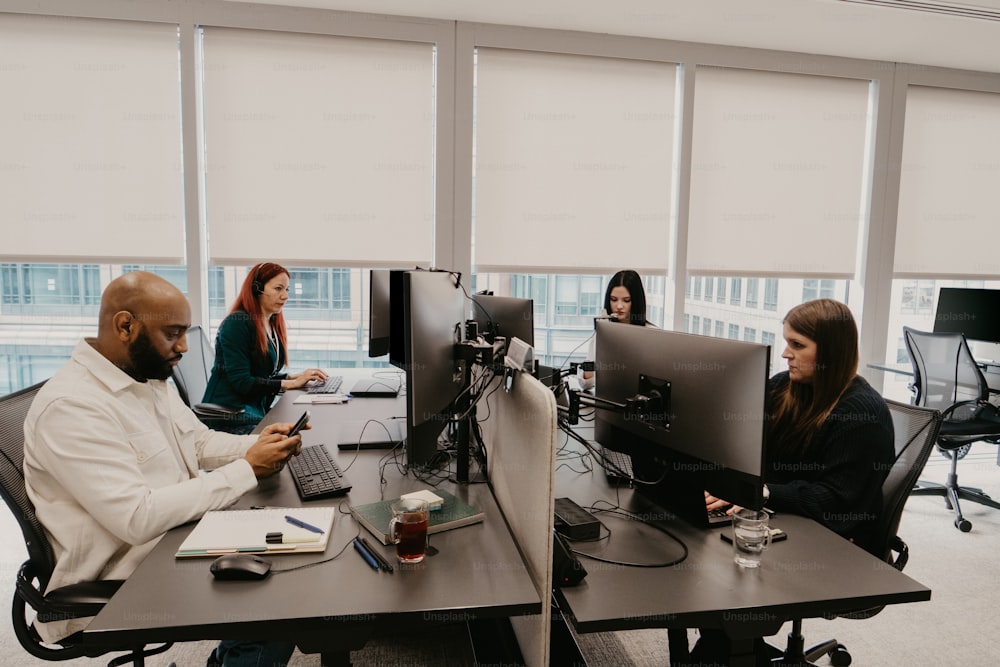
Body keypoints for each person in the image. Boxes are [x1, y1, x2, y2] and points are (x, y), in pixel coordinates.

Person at [23, 271, 303, 667]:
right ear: (125, 326)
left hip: (176, 536)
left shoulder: (144, 377)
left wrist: (257, 446)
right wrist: (246, 470)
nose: (185, 347)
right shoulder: (72, 406)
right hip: (127, 575)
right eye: (173, 334)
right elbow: (136, 518)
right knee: (278, 595)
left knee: (291, 545)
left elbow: (198, 442)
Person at [689, 298, 895, 665]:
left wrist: (762, 492)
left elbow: (836, 499)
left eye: (798, 345)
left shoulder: (862, 414)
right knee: (702, 558)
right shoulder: (783, 388)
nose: (786, 354)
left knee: (726, 586)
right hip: (786, 522)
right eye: (786, 342)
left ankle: (731, 651)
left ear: (831, 352)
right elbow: (747, 446)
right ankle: (734, 649)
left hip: (839, 543)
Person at [202, 262, 328, 433]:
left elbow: (261, 374)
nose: (285, 296)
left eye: (287, 290)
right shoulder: (237, 324)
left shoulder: (270, 323)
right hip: (231, 417)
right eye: (278, 288)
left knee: (307, 429)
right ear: (257, 289)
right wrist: (290, 384)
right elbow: (242, 382)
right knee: (290, 441)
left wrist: (293, 377)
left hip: (253, 412)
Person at [581, 269, 650, 389]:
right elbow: (586, 384)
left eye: (626, 300)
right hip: (608, 399)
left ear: (636, 301)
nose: (619, 306)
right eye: (613, 300)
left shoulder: (652, 334)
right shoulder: (602, 332)